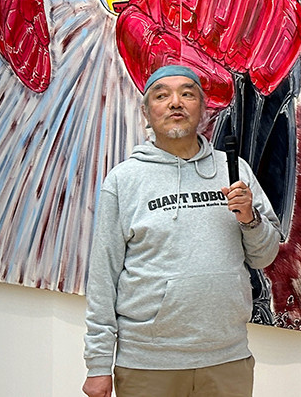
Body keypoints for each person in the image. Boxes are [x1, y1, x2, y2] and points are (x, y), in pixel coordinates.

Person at [82, 64, 281, 397]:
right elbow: (103, 278)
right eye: (162, 96)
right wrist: (98, 365)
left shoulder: (234, 171)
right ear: (146, 112)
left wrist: (250, 218)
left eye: (187, 94)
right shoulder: (124, 181)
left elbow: (264, 256)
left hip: (227, 359)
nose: (175, 102)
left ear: (202, 108)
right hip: (148, 365)